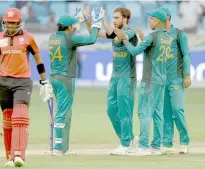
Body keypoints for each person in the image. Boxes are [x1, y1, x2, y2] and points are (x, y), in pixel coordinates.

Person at [0, 8, 53, 167]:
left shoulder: (28, 38)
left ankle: (18, 154)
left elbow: (38, 61)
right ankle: (9, 158)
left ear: (20, 23)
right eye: (8, 23)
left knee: (20, 118)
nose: (11, 26)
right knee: (7, 121)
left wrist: (44, 81)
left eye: (14, 23)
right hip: (4, 82)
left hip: (23, 82)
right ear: (4, 22)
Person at [83, 6, 139, 155]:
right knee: (111, 110)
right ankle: (129, 138)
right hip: (115, 77)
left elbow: (118, 36)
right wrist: (89, 21)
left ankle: (125, 144)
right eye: (113, 18)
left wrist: (103, 21)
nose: (114, 21)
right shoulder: (113, 33)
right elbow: (93, 33)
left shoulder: (130, 33)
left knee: (124, 111)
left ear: (125, 19)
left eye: (117, 18)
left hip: (127, 78)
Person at [48, 7, 103, 156]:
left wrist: (80, 18)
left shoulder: (53, 37)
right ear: (69, 27)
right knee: (62, 112)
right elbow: (91, 39)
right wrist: (96, 23)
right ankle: (58, 148)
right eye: (73, 26)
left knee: (66, 112)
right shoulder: (69, 38)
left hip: (54, 77)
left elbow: (69, 25)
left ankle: (64, 148)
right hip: (66, 78)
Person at [115, 9, 169, 156]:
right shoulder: (166, 37)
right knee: (158, 113)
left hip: (150, 79)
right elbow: (151, 51)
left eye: (151, 18)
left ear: (157, 21)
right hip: (161, 79)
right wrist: (142, 38)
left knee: (144, 112)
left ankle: (143, 145)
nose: (149, 21)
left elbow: (134, 51)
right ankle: (155, 146)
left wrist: (125, 39)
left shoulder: (152, 36)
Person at [158, 7, 191, 155]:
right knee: (165, 113)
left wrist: (187, 75)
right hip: (162, 79)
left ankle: (184, 142)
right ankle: (167, 142)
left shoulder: (179, 34)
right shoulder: (157, 35)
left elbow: (186, 55)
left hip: (176, 78)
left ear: (168, 18)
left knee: (177, 110)